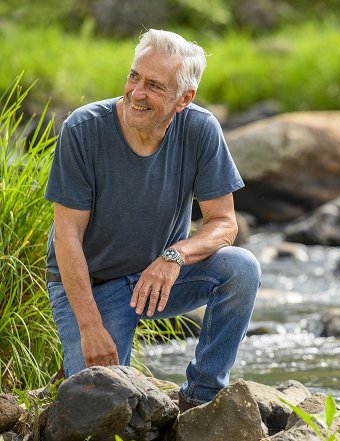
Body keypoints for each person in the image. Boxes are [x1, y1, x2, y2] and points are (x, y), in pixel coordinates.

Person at [44, 29, 260, 411]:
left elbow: (224, 223)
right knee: (100, 409)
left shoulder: (200, 128)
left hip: (158, 278)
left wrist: (174, 256)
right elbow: (67, 236)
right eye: (134, 76)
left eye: (154, 86)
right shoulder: (82, 129)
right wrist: (91, 327)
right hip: (91, 287)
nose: (137, 92)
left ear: (184, 98)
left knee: (241, 268)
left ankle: (201, 399)